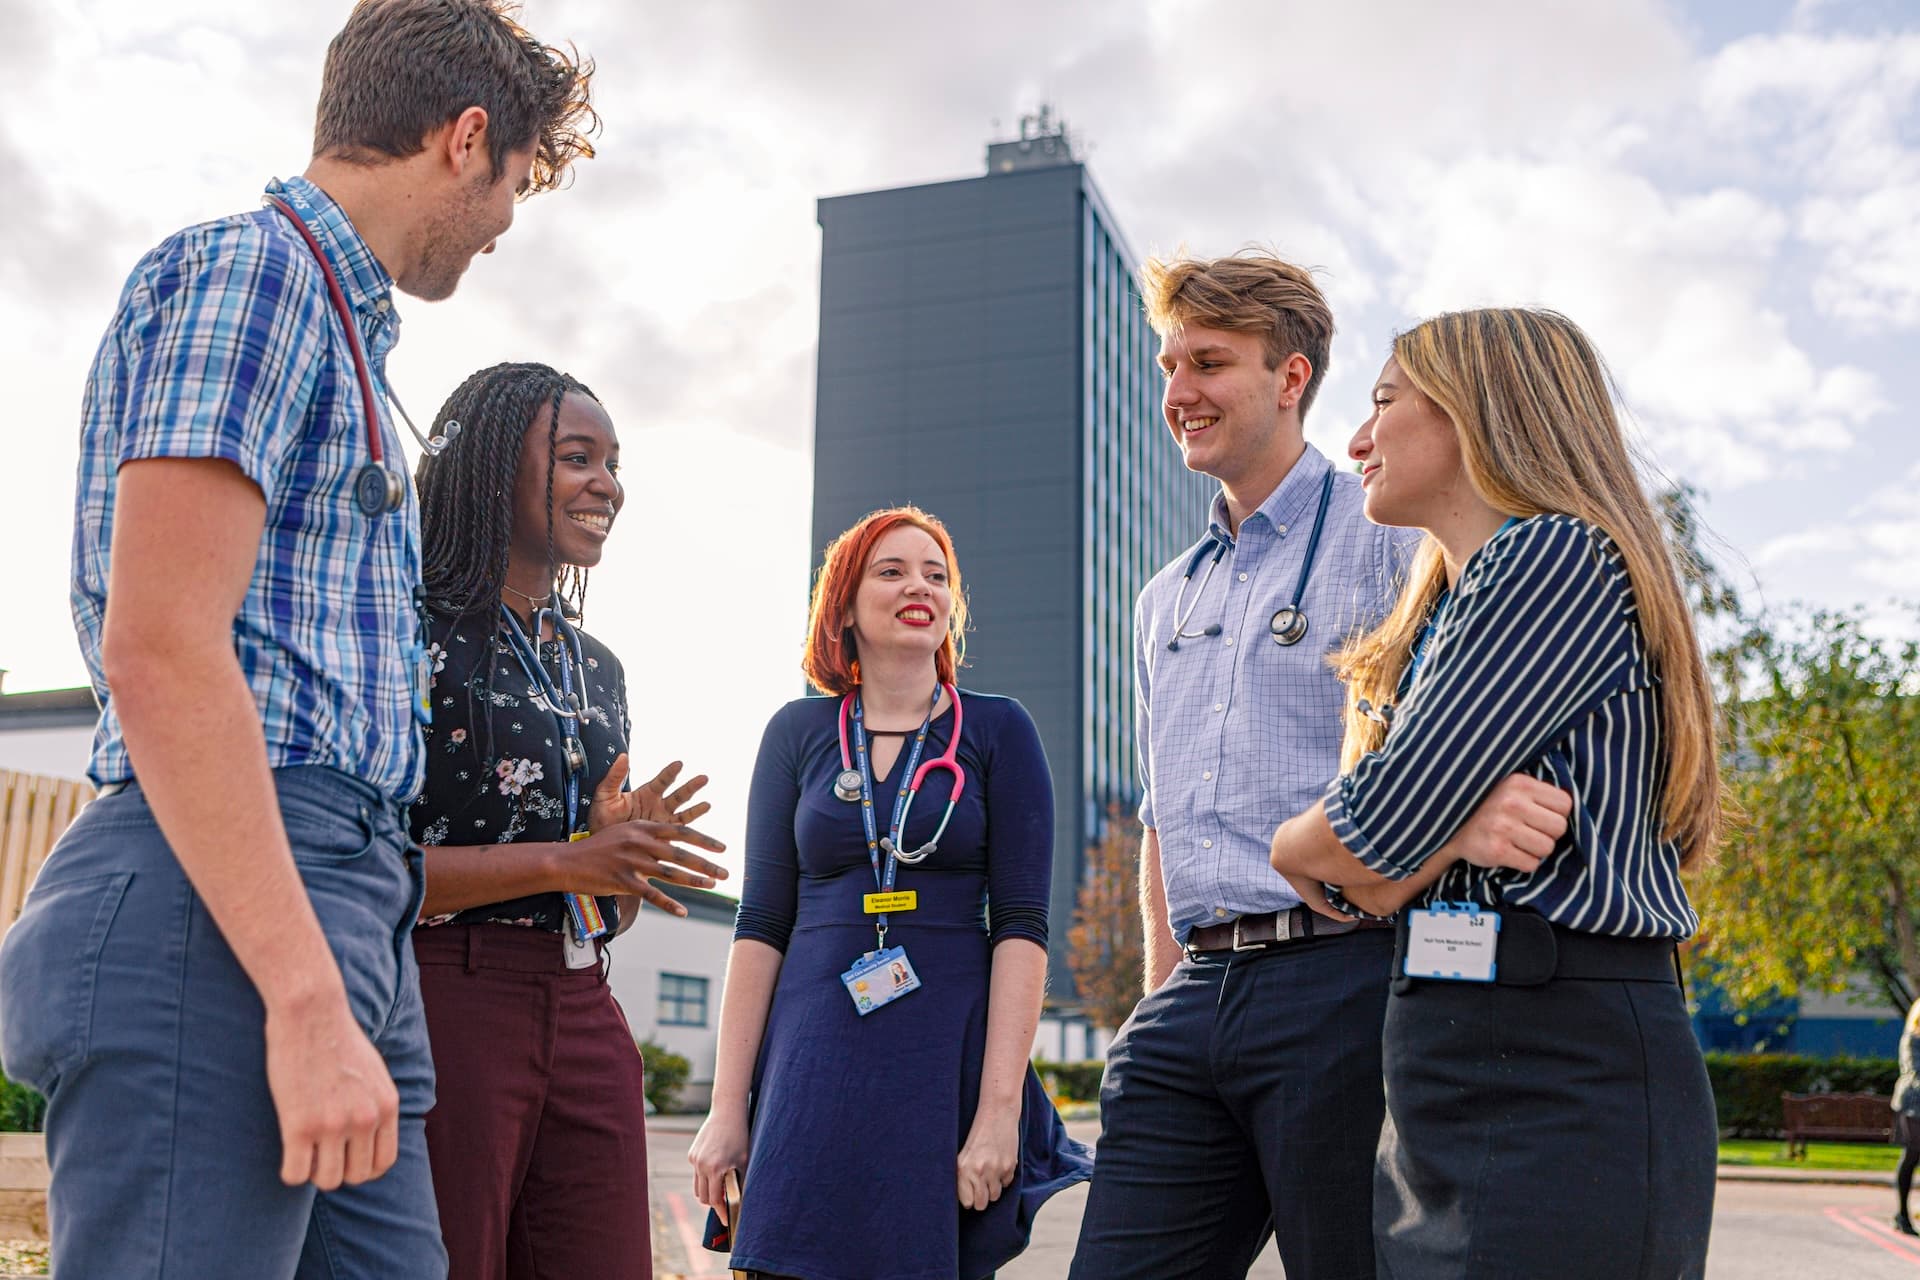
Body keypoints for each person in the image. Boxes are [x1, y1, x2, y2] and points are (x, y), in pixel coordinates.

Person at [0, 4, 596, 1277]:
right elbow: (159, 645)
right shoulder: (254, 274)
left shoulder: (350, 339)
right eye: (514, 189)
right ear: (466, 138)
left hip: (348, 895)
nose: (503, 225)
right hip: (220, 901)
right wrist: (305, 988)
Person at [1267, 308, 1723, 1277]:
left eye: (1384, 401)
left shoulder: (1551, 556)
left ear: (1478, 412)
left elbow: (1355, 844)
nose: (1354, 440)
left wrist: (1317, 847)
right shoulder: (1435, 614)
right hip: (1450, 1038)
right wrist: (1439, 832)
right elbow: (1369, 873)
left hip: (1558, 1056)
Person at [1067, 251, 1420, 1280]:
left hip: (1345, 983)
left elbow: (1438, 754)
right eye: (1170, 365)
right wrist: (1151, 1006)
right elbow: (1162, 819)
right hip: (1194, 998)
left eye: (1210, 363)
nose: (1179, 393)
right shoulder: (1160, 598)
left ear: (1292, 375)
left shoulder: (1386, 533)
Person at [688, 506, 1092, 1280]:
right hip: (809, 1055)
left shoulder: (999, 731)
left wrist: (998, 1113)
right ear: (843, 605)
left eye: (937, 575)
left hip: (941, 1059)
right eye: (893, 570)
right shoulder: (795, 733)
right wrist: (726, 1105)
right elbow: (761, 923)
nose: (921, 587)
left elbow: (1021, 925)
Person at [408, 361, 728, 1278]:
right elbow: (362, 870)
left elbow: (602, 904)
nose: (608, 486)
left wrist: (619, 860)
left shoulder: (599, 667)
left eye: (614, 463)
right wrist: (569, 860)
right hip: (444, 999)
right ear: (491, 469)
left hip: (586, 1003)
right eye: (577, 457)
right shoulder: (406, 630)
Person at [1894, 996, 1920, 1234]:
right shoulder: (1911, 1040)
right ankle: (1902, 1213)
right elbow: (1914, 1070)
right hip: (1913, 1104)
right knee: (1912, 1154)